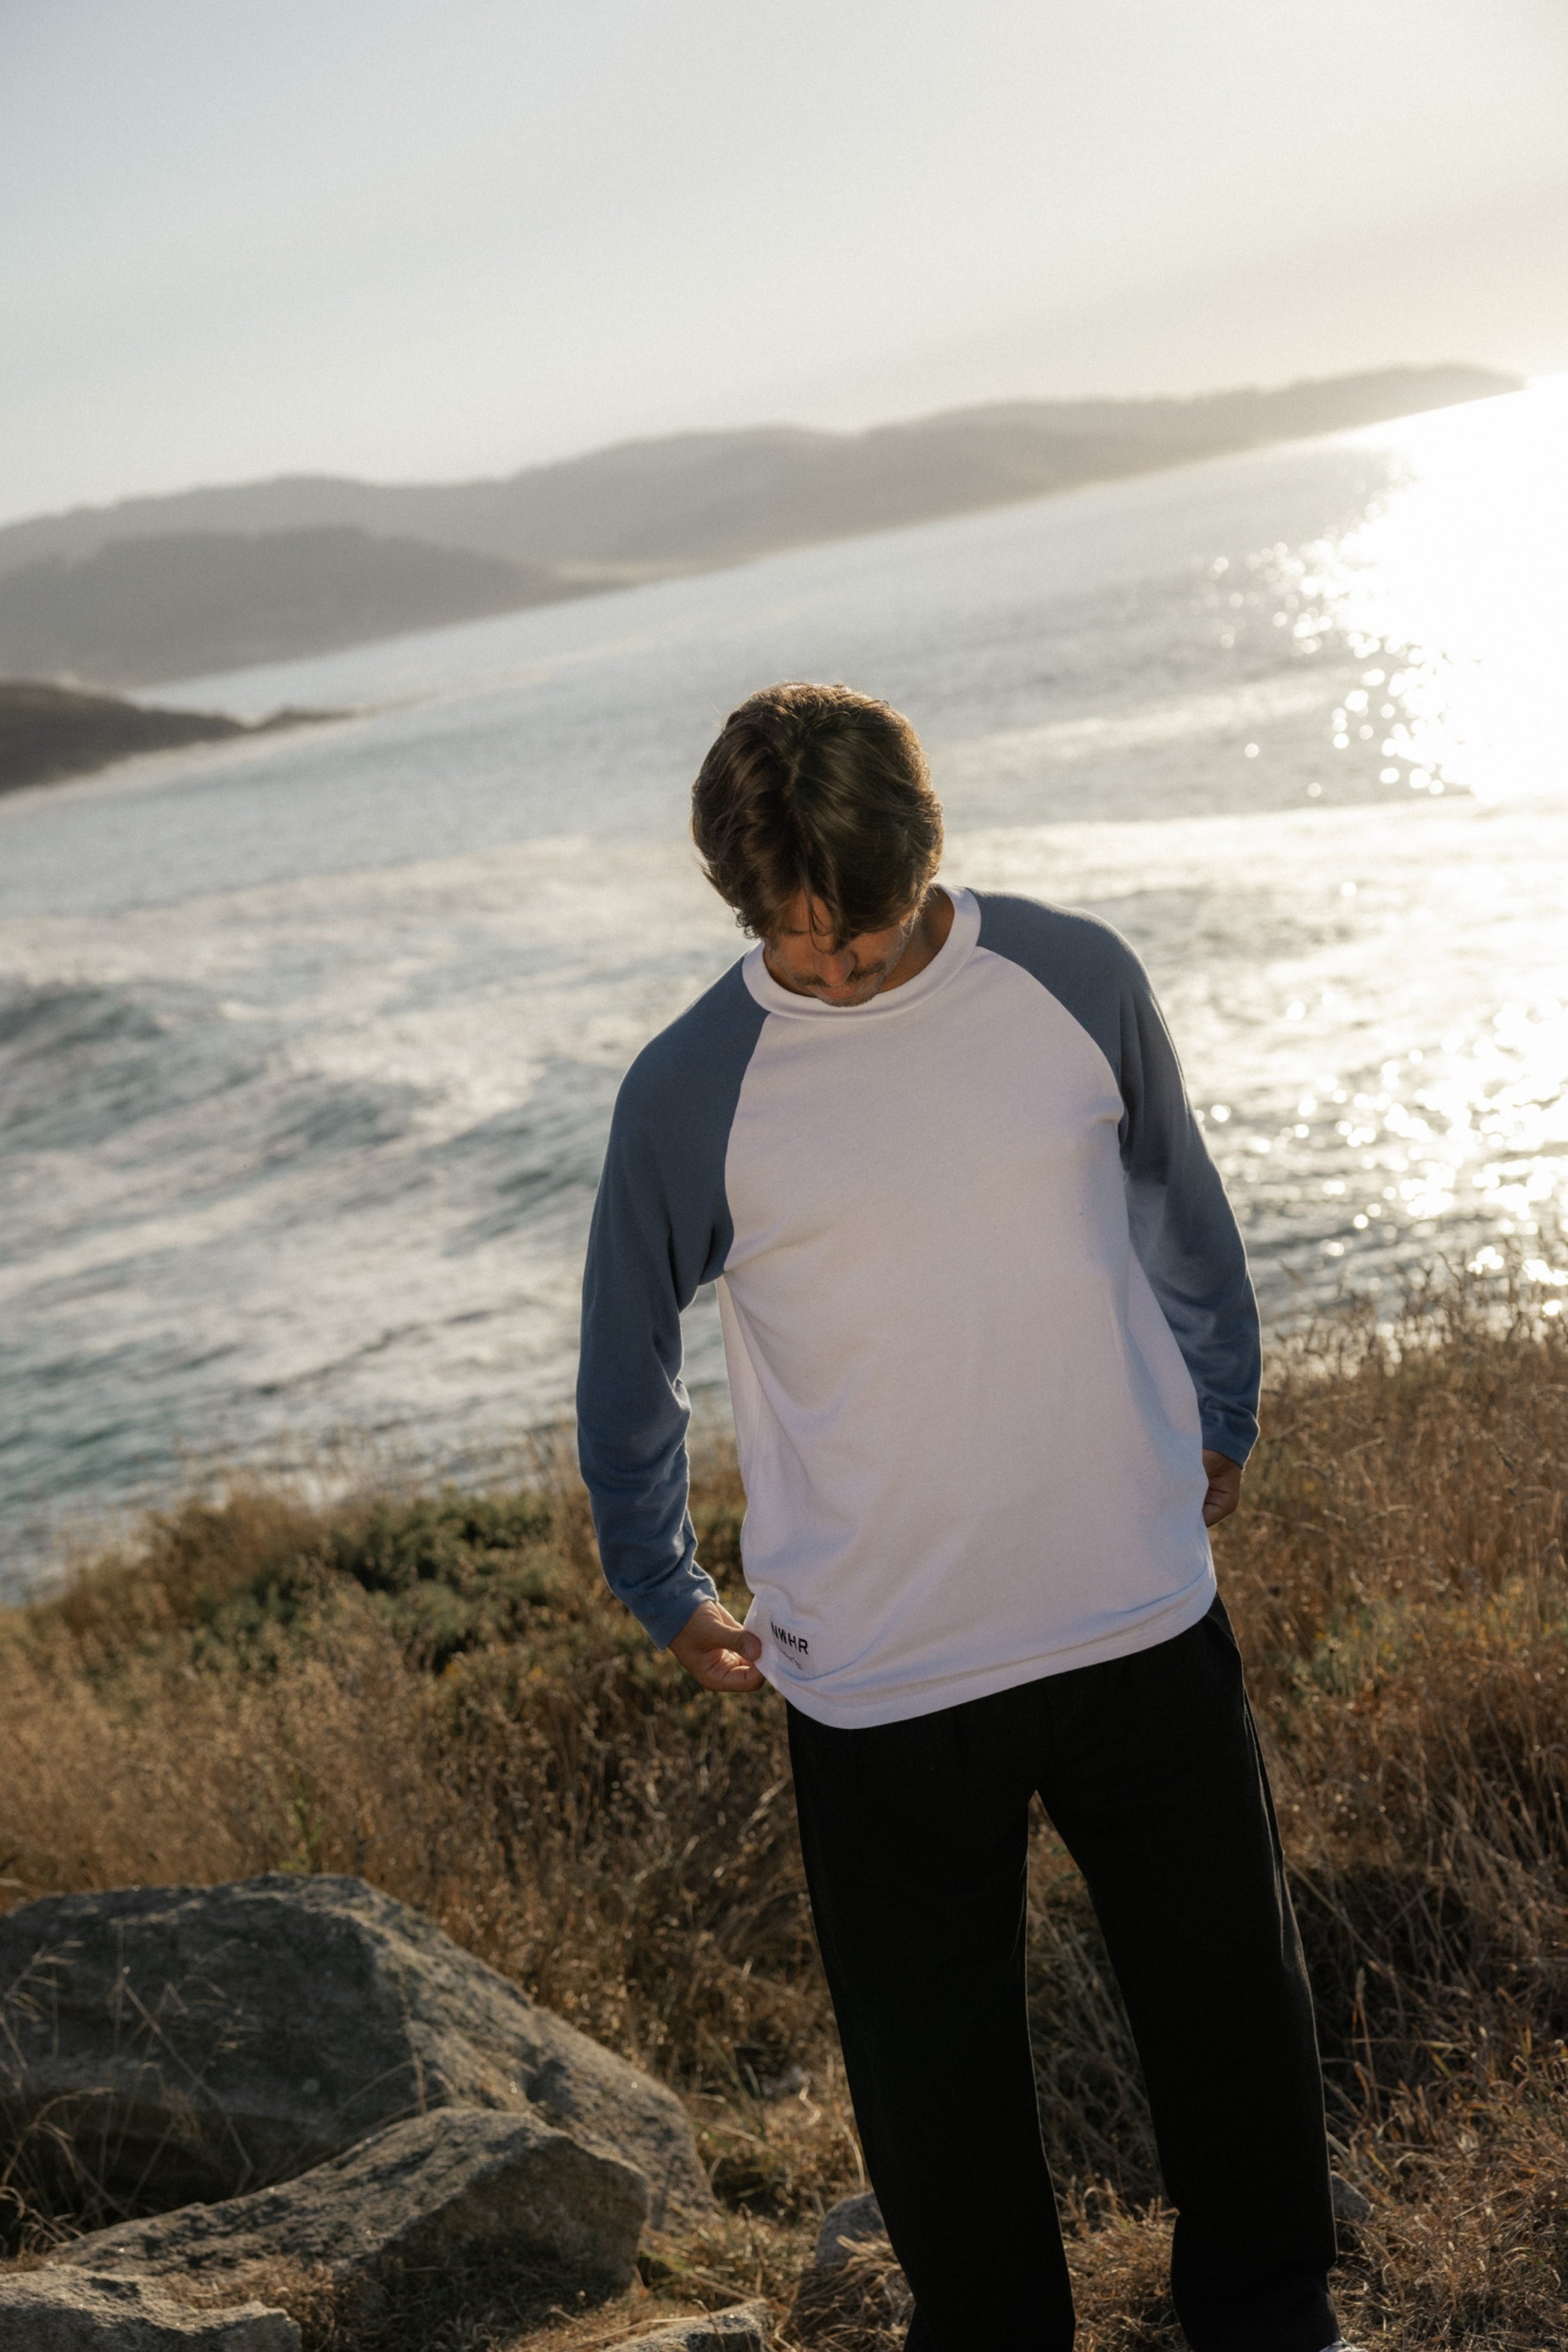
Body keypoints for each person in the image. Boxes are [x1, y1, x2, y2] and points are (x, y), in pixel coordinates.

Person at [576, 681, 1346, 2352]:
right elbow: (627, 1351)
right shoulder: (690, 1087)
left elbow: (1179, 1202)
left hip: (1132, 1607)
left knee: (1230, 2005)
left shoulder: (1073, 977)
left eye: (857, 925)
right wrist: (659, 1573)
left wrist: (1223, 1404)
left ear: (924, 851)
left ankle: (1274, 2321)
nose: (832, 963)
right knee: (937, 2087)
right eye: (792, 934)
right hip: (881, 1672)